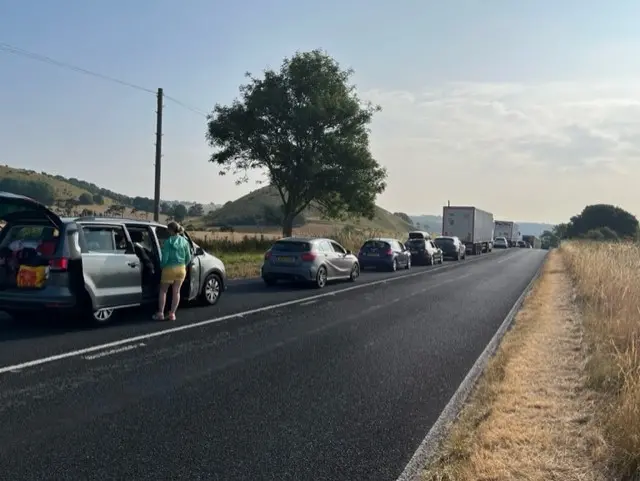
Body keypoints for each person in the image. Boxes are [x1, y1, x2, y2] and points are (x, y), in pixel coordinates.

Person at [153, 221, 192, 321]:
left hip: (169, 269)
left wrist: (161, 267)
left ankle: (160, 313)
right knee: (176, 292)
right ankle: (172, 314)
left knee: (163, 291)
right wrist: (184, 266)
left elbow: (165, 258)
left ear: (170, 230)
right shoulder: (185, 241)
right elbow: (188, 257)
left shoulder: (168, 242)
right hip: (181, 269)